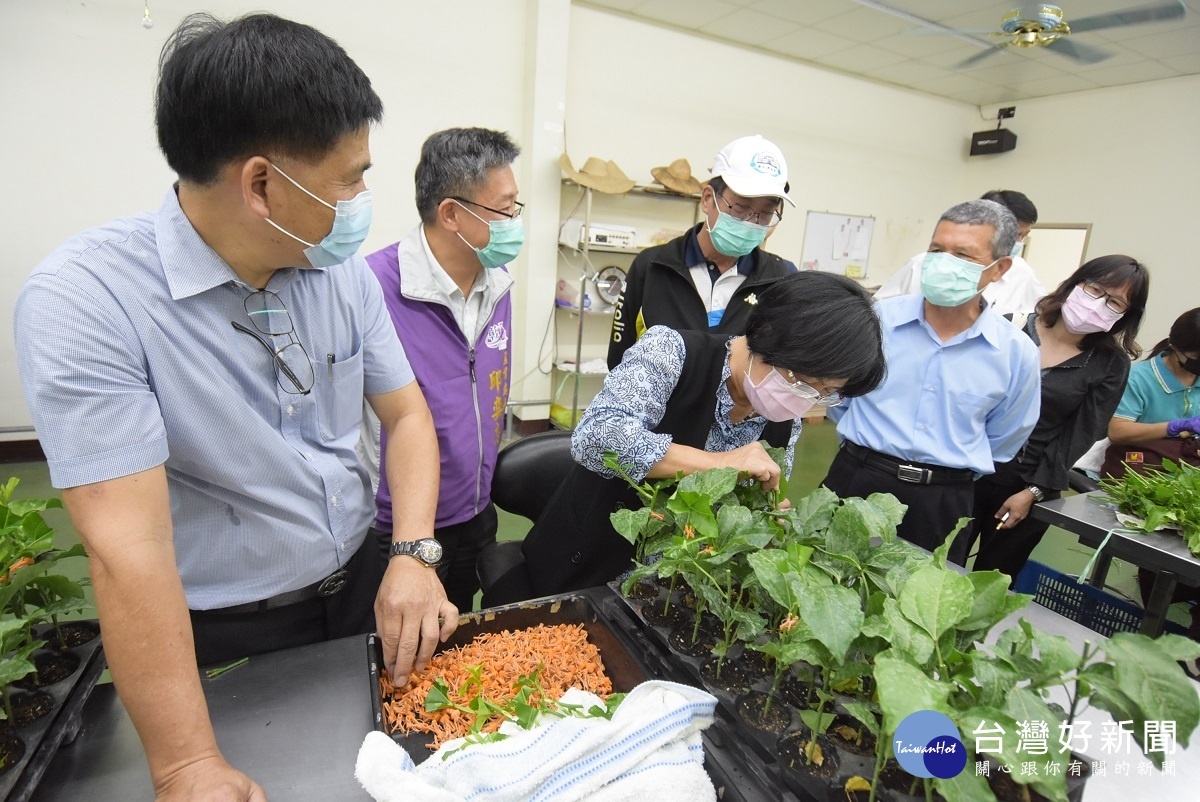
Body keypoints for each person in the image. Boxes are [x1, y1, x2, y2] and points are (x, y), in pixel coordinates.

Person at [13, 13, 455, 800]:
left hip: (360, 584)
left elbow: (408, 417)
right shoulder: (88, 300)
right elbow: (128, 548)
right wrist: (186, 765)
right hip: (224, 631)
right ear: (261, 185)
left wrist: (412, 554)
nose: (362, 198)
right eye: (349, 177)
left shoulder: (338, 273)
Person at [495, 271, 886, 603]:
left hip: (675, 590)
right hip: (587, 569)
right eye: (804, 382)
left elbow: (752, 494)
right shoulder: (671, 352)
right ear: (768, 338)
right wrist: (719, 464)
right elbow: (596, 437)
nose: (806, 401)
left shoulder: (784, 417)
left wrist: (765, 516)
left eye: (824, 393)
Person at [821, 199, 1042, 565]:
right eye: (937, 250)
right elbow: (839, 396)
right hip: (857, 477)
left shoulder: (1014, 352)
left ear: (999, 268)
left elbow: (1006, 436)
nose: (943, 263)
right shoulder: (876, 322)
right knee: (821, 587)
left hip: (941, 499)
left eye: (963, 255)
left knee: (921, 604)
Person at [365, 128, 520, 613]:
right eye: (504, 208)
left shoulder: (498, 283)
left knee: (457, 641)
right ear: (452, 214)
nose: (515, 221)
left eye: (518, 206)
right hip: (394, 527)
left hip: (476, 509)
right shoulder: (373, 286)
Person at [968, 256, 1149, 579]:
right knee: (935, 565)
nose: (1099, 304)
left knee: (991, 582)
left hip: (1027, 483)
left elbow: (1082, 433)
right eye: (1095, 289)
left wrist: (1032, 492)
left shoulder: (1109, 364)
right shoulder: (1010, 325)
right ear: (1074, 283)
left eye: (1115, 303)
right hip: (964, 470)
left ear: (1125, 316)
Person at [606, 134, 797, 370]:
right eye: (741, 208)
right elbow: (619, 359)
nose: (751, 222)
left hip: (741, 408)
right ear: (707, 199)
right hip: (660, 407)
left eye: (765, 214)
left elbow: (783, 365)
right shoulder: (654, 266)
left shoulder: (781, 278)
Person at [875, 189, 1047, 318]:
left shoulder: (1022, 273)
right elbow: (877, 310)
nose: (1017, 242)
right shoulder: (920, 264)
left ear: (1001, 269)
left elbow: (1040, 315)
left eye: (1023, 236)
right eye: (1016, 234)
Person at [1105, 306, 1200, 474]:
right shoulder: (1139, 378)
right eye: (1196, 357)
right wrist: (1174, 427)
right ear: (1175, 346)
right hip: (1140, 465)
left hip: (1188, 468)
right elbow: (1117, 432)